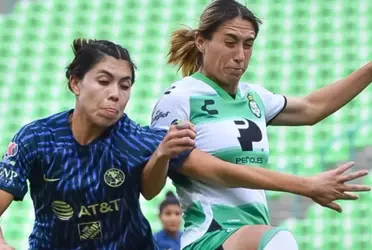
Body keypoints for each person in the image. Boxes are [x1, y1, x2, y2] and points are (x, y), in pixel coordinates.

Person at [150, 0, 372, 249]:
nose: (240, 55)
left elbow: (312, 108)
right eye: (230, 42)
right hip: (210, 236)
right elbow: (213, 169)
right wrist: (304, 185)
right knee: (280, 240)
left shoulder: (254, 97)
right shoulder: (179, 97)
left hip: (251, 235)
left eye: (248, 44)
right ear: (201, 42)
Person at [0, 38, 197, 250]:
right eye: (104, 81)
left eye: (125, 86)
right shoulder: (37, 138)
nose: (115, 94)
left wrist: (161, 155)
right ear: (75, 83)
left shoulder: (136, 137)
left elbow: (150, 191)